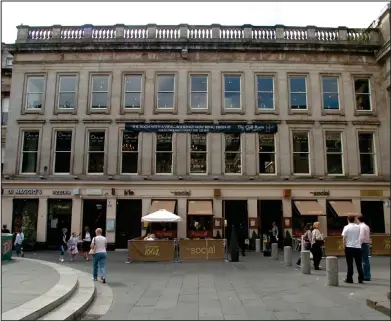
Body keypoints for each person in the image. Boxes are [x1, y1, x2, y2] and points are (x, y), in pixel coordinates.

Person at [342, 215, 364, 284]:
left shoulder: (346, 227)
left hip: (349, 247)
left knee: (350, 264)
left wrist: (344, 246)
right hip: (357, 247)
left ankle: (349, 279)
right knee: (359, 264)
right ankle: (361, 278)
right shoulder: (358, 227)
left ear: (348, 220)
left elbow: (344, 238)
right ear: (354, 219)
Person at [358, 215, 371, 281]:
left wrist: (359, 244)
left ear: (359, 220)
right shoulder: (366, 226)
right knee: (366, 260)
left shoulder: (361, 227)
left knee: (362, 261)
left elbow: (361, 237)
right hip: (366, 243)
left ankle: (364, 275)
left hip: (362, 244)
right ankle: (367, 275)